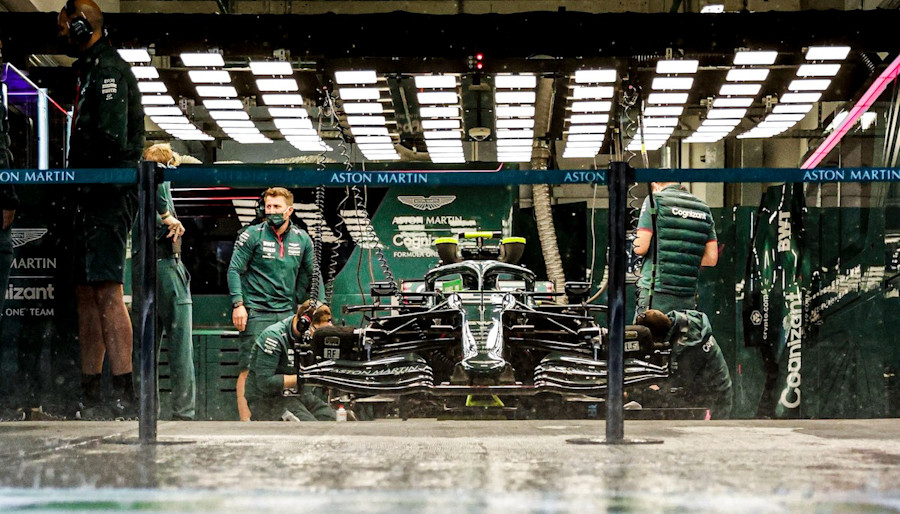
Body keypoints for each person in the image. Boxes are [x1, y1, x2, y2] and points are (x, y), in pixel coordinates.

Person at [57, 0, 145, 419]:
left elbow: (108, 140)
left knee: (108, 289)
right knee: (86, 292)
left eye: (64, 27)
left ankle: (125, 395)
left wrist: (82, 182)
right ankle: (90, 393)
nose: (60, 35)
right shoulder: (90, 69)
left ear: (80, 26)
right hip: (88, 193)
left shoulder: (108, 70)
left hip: (107, 192)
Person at [228, 187, 317, 421]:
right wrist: (239, 304)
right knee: (249, 369)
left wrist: (317, 310)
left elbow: (314, 276)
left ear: (290, 210)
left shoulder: (302, 238)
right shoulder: (251, 235)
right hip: (256, 313)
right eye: (268, 206)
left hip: (288, 315)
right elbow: (234, 269)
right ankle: (247, 426)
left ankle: (279, 420)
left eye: (276, 207)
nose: (271, 211)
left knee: (286, 371)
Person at [139, 143, 195, 420]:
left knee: (145, 350)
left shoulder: (138, 192)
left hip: (144, 270)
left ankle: (147, 411)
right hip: (166, 268)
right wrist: (168, 216)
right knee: (181, 347)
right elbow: (157, 176)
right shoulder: (157, 182)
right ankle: (184, 412)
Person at [632, 182, 718, 319]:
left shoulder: (654, 201)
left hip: (656, 291)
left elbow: (640, 248)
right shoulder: (703, 208)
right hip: (687, 293)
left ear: (655, 185)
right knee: (681, 337)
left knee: (648, 337)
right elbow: (711, 258)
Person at [244, 302, 335, 421]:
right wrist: (306, 377)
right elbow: (265, 382)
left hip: (297, 395)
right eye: (318, 332)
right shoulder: (273, 337)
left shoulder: (311, 338)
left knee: (335, 420)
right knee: (311, 427)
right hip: (267, 400)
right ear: (303, 324)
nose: (320, 337)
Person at [635, 309, 733, 419]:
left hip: (714, 396)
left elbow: (679, 383)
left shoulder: (688, 346)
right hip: (708, 391)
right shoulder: (676, 325)